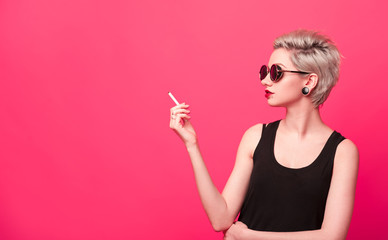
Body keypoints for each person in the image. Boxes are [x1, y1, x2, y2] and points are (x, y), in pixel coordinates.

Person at [169, 29, 359, 240]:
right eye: (264, 71)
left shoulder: (342, 151)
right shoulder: (255, 137)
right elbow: (220, 219)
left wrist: (248, 236)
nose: (265, 80)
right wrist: (192, 144)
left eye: (277, 72)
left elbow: (332, 237)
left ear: (309, 81)